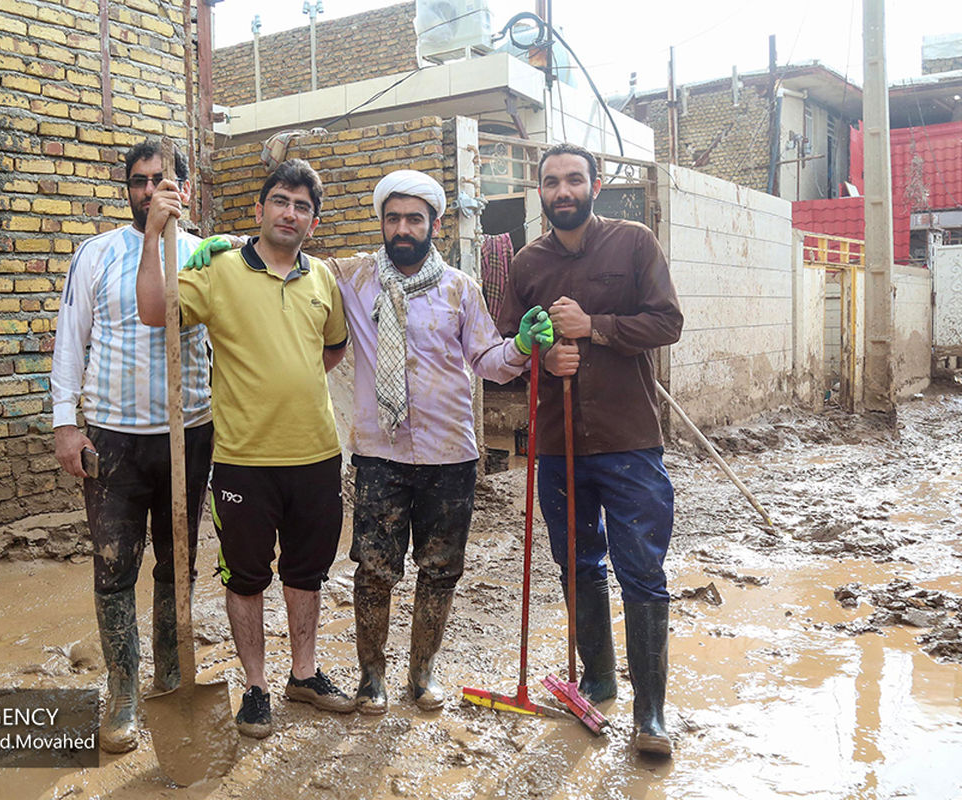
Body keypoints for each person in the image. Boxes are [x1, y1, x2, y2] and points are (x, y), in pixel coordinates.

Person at [185, 170, 554, 714]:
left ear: (434, 225)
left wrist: (518, 347)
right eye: (392, 218)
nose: (402, 228)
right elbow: (284, 248)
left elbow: (487, 362)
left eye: (414, 219)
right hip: (380, 454)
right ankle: (371, 677)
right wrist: (228, 241)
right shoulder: (352, 277)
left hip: (450, 453)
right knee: (375, 570)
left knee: (441, 568)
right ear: (381, 223)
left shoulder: (461, 288)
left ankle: (422, 673)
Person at [136, 158, 354, 739]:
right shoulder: (220, 270)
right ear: (259, 209)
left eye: (303, 206)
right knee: (246, 577)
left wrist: (290, 380)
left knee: (307, 573)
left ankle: (303, 675)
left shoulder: (322, 278)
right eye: (280, 200)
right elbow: (154, 311)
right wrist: (155, 235)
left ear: (313, 221)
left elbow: (332, 347)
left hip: (316, 455)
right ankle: (256, 687)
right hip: (243, 460)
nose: (290, 213)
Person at [497, 143, 683, 756]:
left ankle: (650, 715)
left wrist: (593, 327)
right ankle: (598, 680)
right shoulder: (527, 263)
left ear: (595, 186)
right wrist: (544, 356)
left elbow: (667, 323)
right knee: (577, 564)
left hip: (630, 441)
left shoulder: (634, 243)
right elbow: (508, 345)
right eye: (552, 182)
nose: (563, 191)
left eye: (574, 179)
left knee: (642, 571)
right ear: (541, 191)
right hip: (558, 445)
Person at [50, 141, 214, 754]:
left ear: (184, 190)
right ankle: (123, 690)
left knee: (178, 561)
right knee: (114, 564)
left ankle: (170, 674)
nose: (150, 191)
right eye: (140, 181)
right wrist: (66, 425)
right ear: (128, 190)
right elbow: (71, 340)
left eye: (161, 180)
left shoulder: (206, 256)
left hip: (187, 433)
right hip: (114, 438)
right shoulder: (97, 254)